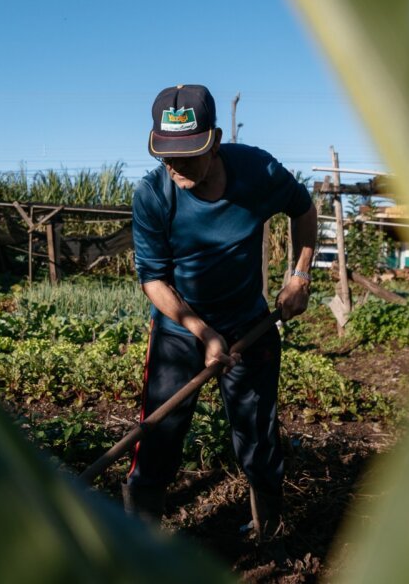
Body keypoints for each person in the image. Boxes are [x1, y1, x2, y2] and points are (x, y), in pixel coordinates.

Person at [124, 84, 317, 540]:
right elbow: (154, 279)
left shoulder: (258, 171)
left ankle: (268, 532)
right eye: (166, 155)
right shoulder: (153, 195)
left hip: (250, 322)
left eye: (188, 155)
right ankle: (136, 539)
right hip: (180, 327)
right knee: (159, 434)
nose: (175, 166)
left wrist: (300, 276)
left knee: (257, 434)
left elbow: (304, 212)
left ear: (213, 140)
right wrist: (200, 329)